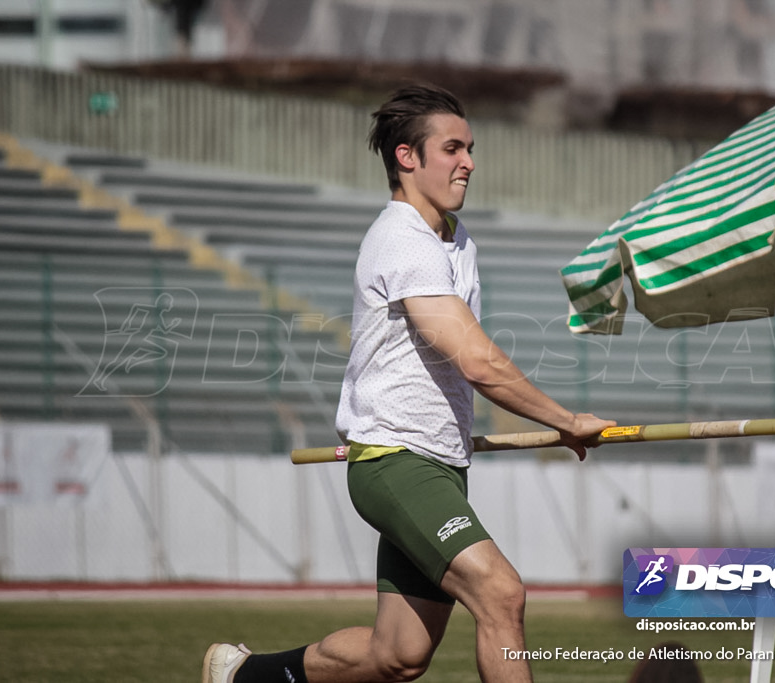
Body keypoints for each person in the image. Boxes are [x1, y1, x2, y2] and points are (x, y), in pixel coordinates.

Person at [203, 83, 616, 683]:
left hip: (439, 464)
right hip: (396, 463)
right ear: (407, 157)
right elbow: (478, 362)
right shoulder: (404, 240)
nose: (469, 161)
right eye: (452, 148)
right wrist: (566, 419)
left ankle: (244, 676)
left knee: (398, 656)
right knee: (502, 595)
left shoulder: (455, 240)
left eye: (470, 147)